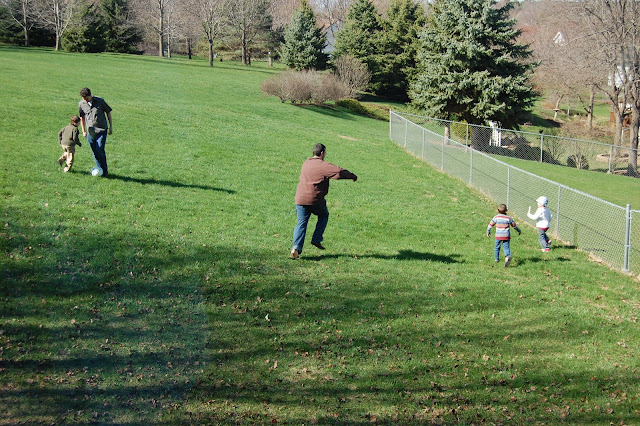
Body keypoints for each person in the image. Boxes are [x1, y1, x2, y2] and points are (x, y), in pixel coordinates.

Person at [291, 143, 357, 259]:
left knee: (301, 223)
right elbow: (339, 172)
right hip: (314, 199)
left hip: (300, 198)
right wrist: (353, 176)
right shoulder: (323, 166)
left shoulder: (306, 162)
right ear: (322, 153)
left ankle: (295, 248)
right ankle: (316, 239)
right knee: (324, 214)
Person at [78, 87, 113, 177]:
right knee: (94, 151)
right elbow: (82, 117)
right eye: (83, 98)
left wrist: (111, 127)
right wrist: (83, 131)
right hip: (90, 132)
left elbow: (108, 113)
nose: (84, 100)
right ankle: (99, 169)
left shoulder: (100, 101)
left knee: (100, 148)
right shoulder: (81, 104)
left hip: (101, 130)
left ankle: (105, 171)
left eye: (86, 98)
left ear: (90, 95)